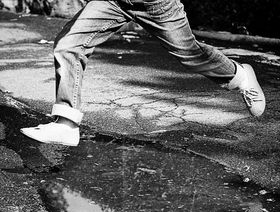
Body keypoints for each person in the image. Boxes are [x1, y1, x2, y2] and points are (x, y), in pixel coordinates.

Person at [21, 0, 266, 147]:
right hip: (114, 1)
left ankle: (241, 76)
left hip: (157, 4)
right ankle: (66, 123)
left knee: (189, 54)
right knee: (68, 45)